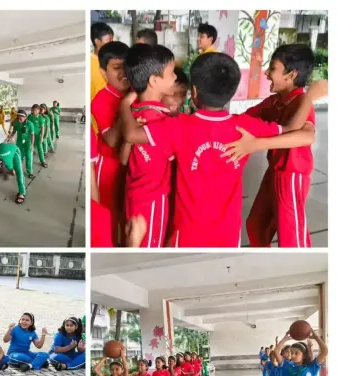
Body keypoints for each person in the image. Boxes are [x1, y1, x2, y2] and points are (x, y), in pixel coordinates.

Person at [121, 52, 326, 247]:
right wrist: (309, 97)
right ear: (231, 93)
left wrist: (125, 105)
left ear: (194, 92)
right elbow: (293, 129)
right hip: (228, 233)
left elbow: (131, 135)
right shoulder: (246, 126)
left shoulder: (179, 126)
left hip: (188, 232)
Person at [245, 44, 319, 248]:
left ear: (291, 75)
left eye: (273, 69)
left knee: (291, 239)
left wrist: (256, 144)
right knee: (256, 226)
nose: (266, 73)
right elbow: (242, 119)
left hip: (292, 175)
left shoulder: (302, 102)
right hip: (274, 171)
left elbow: (307, 136)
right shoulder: (274, 102)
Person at [123, 43, 177, 247]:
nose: (175, 77)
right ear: (154, 81)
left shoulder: (135, 112)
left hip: (133, 195)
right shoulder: (160, 120)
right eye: (171, 73)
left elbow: (124, 157)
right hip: (152, 198)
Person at [91, 41, 130, 245]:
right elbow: (112, 140)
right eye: (116, 68)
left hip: (131, 164)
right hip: (108, 167)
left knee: (126, 216)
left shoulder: (135, 92)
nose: (123, 73)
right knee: (109, 218)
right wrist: (126, 108)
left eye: (126, 66)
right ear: (103, 72)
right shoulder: (101, 100)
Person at [90, 22, 114, 101]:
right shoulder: (90, 64)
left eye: (112, 40)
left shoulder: (114, 59)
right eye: (109, 40)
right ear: (97, 42)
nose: (112, 43)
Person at [8, 109, 35, 177]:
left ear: (25, 117)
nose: (19, 120)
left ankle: (30, 172)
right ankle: (17, 169)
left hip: (28, 142)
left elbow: (32, 135)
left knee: (28, 156)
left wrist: (32, 144)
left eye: (21, 118)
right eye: (18, 118)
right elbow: (14, 131)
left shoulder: (30, 124)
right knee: (19, 156)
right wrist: (10, 137)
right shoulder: (16, 122)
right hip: (19, 141)